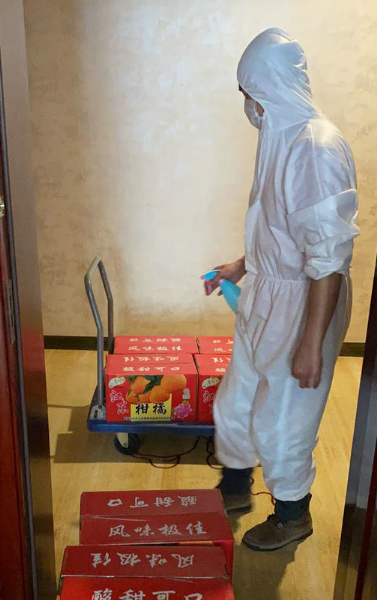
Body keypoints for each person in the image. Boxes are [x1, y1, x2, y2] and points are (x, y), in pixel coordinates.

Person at [208, 28, 360, 551]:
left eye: (249, 92)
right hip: (268, 292)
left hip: (304, 300)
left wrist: (310, 343)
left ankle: (293, 513)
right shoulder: (279, 135)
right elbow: (282, 229)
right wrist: (242, 266)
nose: (247, 105)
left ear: (268, 87)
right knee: (237, 399)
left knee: (284, 417)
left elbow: (328, 258)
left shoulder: (315, 147)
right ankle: (235, 485)